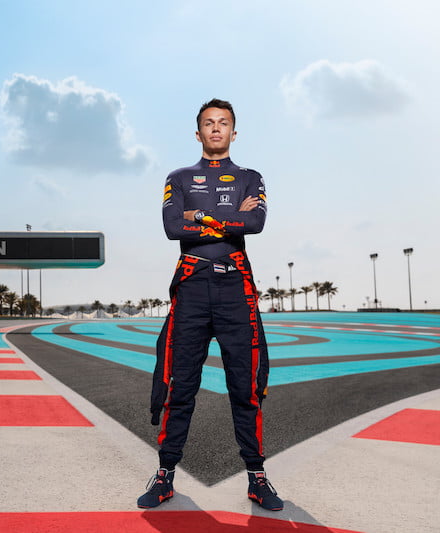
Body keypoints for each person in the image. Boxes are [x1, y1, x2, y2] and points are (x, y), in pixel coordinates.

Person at [137, 99, 283, 511]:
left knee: (246, 388)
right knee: (179, 386)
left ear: (234, 133)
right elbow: (171, 228)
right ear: (197, 133)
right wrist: (228, 217)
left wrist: (198, 217)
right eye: (208, 123)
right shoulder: (179, 177)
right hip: (192, 286)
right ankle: (165, 476)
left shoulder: (250, 177)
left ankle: (257, 478)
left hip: (236, 287)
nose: (216, 129)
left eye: (223, 124)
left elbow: (256, 224)